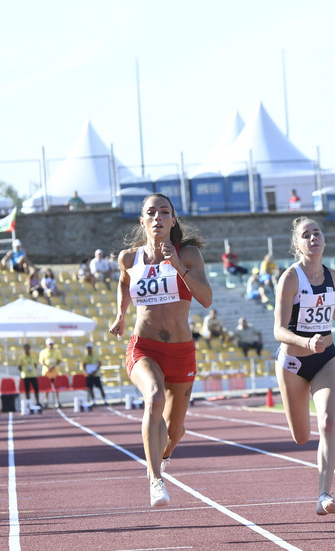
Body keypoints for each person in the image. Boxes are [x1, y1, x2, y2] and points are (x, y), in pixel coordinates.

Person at [108, 192, 212, 508]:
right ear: (142, 221)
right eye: (151, 212)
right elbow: (124, 283)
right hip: (144, 347)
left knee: (175, 430)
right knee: (153, 396)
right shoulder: (128, 258)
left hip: (181, 352)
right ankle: (155, 480)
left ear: (173, 220)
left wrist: (177, 265)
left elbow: (206, 299)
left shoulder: (190, 255)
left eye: (164, 212)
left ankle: (163, 455)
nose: (157, 217)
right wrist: (120, 314)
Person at [272, 216, 335, 516]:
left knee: (328, 422)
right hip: (292, 363)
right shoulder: (289, 278)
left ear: (324, 240)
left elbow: (329, 305)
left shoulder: (334, 277)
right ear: (297, 244)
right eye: (306, 234)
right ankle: (321, 488)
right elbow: (277, 330)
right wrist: (305, 343)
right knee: (301, 436)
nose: (313, 238)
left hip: (326, 358)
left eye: (317, 233)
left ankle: (324, 494)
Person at [39, 338, 63, 407]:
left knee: (56, 387)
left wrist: (53, 366)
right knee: (47, 388)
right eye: (49, 344)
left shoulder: (57, 352)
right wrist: (48, 367)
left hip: (55, 372)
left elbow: (59, 360)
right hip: (46, 372)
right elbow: (41, 361)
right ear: (47, 345)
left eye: (52, 344)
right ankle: (46, 402)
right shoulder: (43, 352)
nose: (51, 346)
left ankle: (57, 401)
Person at [16, 343, 41, 407]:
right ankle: (29, 403)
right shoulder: (22, 357)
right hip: (25, 375)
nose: (27, 349)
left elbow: (35, 365)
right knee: (27, 390)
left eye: (28, 348)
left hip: (33, 375)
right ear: (24, 349)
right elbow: (19, 366)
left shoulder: (33, 356)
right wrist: (24, 371)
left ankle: (37, 402)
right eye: (25, 348)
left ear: (29, 348)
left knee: (36, 389)